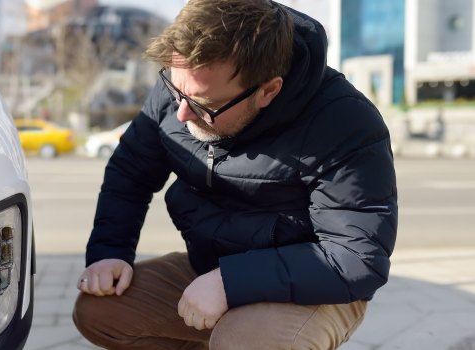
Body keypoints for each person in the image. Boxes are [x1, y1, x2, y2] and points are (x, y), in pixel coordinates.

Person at [73, 0, 398, 349]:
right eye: (174, 89)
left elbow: (355, 258)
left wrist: (231, 282)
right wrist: (111, 251)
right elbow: (130, 172)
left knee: (245, 341)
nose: (181, 113)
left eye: (203, 105)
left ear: (268, 91)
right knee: (99, 311)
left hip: (314, 287)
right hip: (212, 268)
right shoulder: (186, 88)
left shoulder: (344, 122)